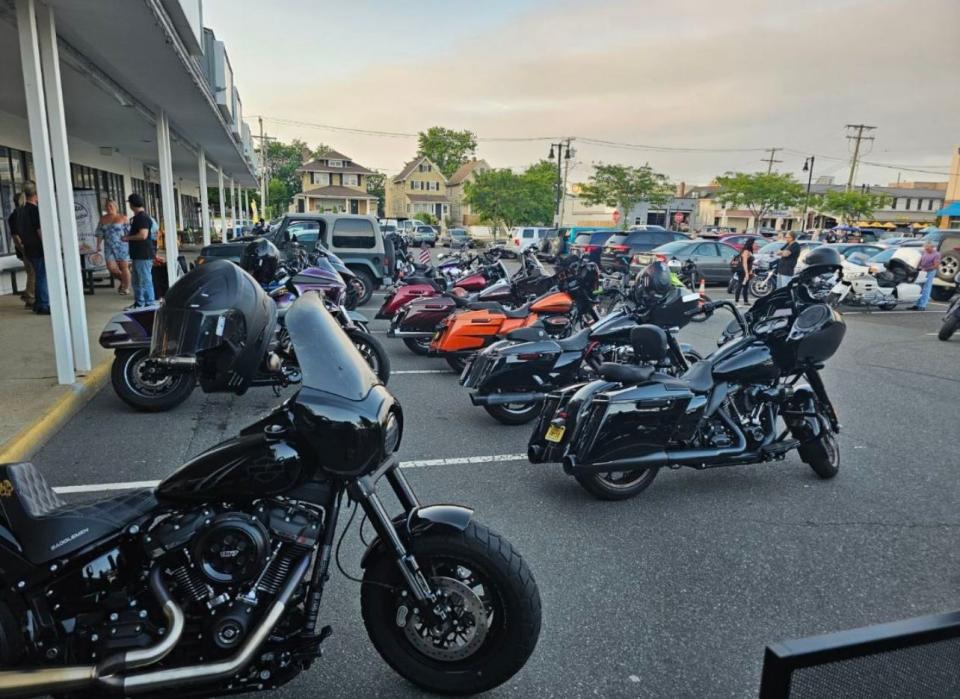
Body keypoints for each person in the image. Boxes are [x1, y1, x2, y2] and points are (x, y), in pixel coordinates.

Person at [14, 183, 49, 315]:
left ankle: (38, 303)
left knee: (38, 275)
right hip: (38, 248)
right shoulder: (34, 210)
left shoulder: (21, 210)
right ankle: (43, 304)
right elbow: (39, 231)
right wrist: (48, 245)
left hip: (28, 248)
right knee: (42, 276)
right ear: (35, 195)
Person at [123, 193, 155, 308]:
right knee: (137, 280)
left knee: (145, 279)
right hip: (138, 254)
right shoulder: (139, 217)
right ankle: (139, 303)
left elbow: (143, 235)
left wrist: (127, 238)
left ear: (131, 204)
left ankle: (149, 303)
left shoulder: (142, 218)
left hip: (143, 254)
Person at [96, 199, 131, 295]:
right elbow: (99, 233)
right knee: (111, 267)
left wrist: (128, 240)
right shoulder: (103, 219)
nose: (109, 208)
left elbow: (129, 232)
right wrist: (98, 245)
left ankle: (126, 288)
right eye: (107, 206)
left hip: (122, 245)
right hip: (109, 246)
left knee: (124, 267)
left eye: (111, 206)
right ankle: (123, 281)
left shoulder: (123, 218)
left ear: (116, 206)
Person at [7, 203, 35, 309]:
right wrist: (22, 249)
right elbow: (15, 236)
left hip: (25, 249)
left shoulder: (15, 215)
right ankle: (29, 297)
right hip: (26, 249)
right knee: (33, 272)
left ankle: (29, 295)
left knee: (31, 272)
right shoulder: (17, 216)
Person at [911, 241, 941, 311]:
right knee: (919, 287)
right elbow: (920, 260)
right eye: (925, 248)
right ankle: (916, 304)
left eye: (928, 248)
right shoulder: (925, 252)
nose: (926, 249)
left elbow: (936, 266)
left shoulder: (936, 254)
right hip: (922, 271)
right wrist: (917, 267)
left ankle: (922, 305)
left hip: (930, 271)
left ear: (932, 247)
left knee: (926, 288)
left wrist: (926, 269)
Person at [733, 239, 754, 306]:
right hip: (742, 271)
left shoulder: (749, 251)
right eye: (753, 243)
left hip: (746, 270)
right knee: (740, 285)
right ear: (750, 244)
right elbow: (744, 263)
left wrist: (750, 271)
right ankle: (736, 302)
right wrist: (746, 273)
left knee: (746, 286)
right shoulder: (745, 251)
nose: (754, 244)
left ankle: (745, 301)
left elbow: (749, 263)